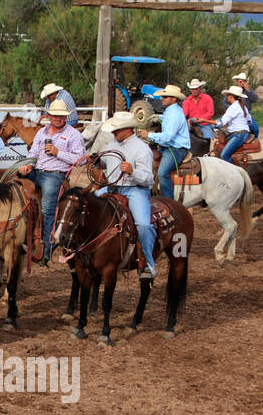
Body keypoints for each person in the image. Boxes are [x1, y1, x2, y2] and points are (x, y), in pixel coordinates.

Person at [18, 99, 85, 264]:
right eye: (55, 115)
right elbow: (33, 152)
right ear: (49, 116)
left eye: (61, 116)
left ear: (65, 117)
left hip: (55, 174)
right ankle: (18, 235)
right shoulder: (42, 132)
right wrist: (27, 164)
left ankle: (46, 251)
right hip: (37, 171)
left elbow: (81, 159)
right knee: (12, 184)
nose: (58, 118)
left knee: (48, 210)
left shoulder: (73, 134)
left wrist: (58, 152)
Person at [96, 111, 157, 281]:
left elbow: (149, 178)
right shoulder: (112, 145)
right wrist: (96, 160)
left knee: (143, 225)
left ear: (127, 129)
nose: (114, 133)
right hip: (114, 188)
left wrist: (132, 171)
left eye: (117, 130)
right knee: (88, 203)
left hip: (135, 189)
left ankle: (147, 264)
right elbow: (106, 162)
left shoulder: (142, 149)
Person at [147, 84, 190, 199]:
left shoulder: (174, 113)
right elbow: (168, 120)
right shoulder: (171, 110)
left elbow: (167, 137)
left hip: (177, 149)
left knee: (162, 173)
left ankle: (168, 201)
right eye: (163, 96)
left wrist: (148, 135)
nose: (162, 99)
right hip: (169, 147)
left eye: (165, 97)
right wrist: (158, 117)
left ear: (174, 98)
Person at [216, 86, 253, 163]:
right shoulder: (243, 106)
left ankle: (234, 172)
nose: (226, 97)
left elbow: (222, 122)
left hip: (239, 135)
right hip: (243, 133)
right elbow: (249, 121)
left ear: (231, 97)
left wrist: (205, 121)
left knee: (224, 155)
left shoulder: (233, 107)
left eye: (227, 96)